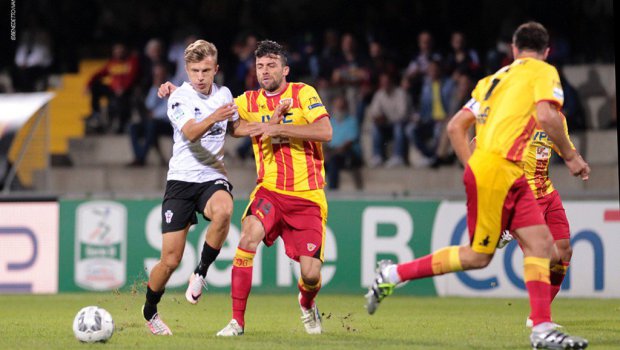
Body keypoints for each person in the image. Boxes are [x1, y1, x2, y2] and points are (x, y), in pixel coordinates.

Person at [365, 22, 590, 349]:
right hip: (500, 170)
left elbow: (456, 127)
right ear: (546, 52)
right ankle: (393, 275)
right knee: (478, 257)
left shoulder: (492, 81)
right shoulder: (543, 72)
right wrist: (569, 155)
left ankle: (541, 328)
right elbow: (548, 114)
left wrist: (473, 169)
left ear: (513, 50)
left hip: (500, 171)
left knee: (541, 244)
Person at [158, 40, 332, 337]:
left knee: (310, 274)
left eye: (272, 65)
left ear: (285, 69)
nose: (265, 71)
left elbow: (326, 131)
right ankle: (237, 322)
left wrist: (279, 128)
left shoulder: (304, 93)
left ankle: (306, 302)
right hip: (269, 191)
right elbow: (209, 104)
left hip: (308, 196)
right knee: (248, 236)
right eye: (260, 66)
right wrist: (177, 92)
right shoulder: (248, 101)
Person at [141, 39, 239, 336]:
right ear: (186, 69)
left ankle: (200, 273)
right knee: (170, 260)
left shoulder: (224, 94)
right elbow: (192, 132)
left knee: (224, 210)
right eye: (195, 70)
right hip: (181, 182)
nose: (200, 76)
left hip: (211, 176)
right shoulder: (177, 97)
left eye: (206, 70)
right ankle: (150, 310)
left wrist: (267, 125)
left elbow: (235, 128)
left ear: (215, 69)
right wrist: (215, 115)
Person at [495, 111, 578, 328]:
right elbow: (478, 144)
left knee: (564, 252)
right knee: (547, 258)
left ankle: (538, 317)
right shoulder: (517, 113)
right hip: (525, 198)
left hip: (548, 193)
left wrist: (574, 159)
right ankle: (505, 225)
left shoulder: (557, 118)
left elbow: (563, 144)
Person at [85, 42, 139, 134]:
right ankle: (96, 114)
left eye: (121, 50)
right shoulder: (112, 63)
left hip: (126, 90)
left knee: (122, 101)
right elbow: (99, 73)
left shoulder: (131, 61)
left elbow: (132, 76)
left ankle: (122, 124)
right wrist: (88, 84)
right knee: (96, 87)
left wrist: (124, 88)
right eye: (116, 51)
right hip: (113, 89)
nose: (119, 53)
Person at [127, 63, 173, 167]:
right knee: (133, 127)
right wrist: (155, 88)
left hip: (168, 124)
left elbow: (170, 108)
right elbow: (149, 105)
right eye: (156, 75)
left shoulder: (173, 85)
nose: (158, 77)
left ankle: (141, 158)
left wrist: (154, 114)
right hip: (154, 122)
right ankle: (139, 156)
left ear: (165, 73)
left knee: (151, 124)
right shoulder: (155, 87)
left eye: (160, 74)